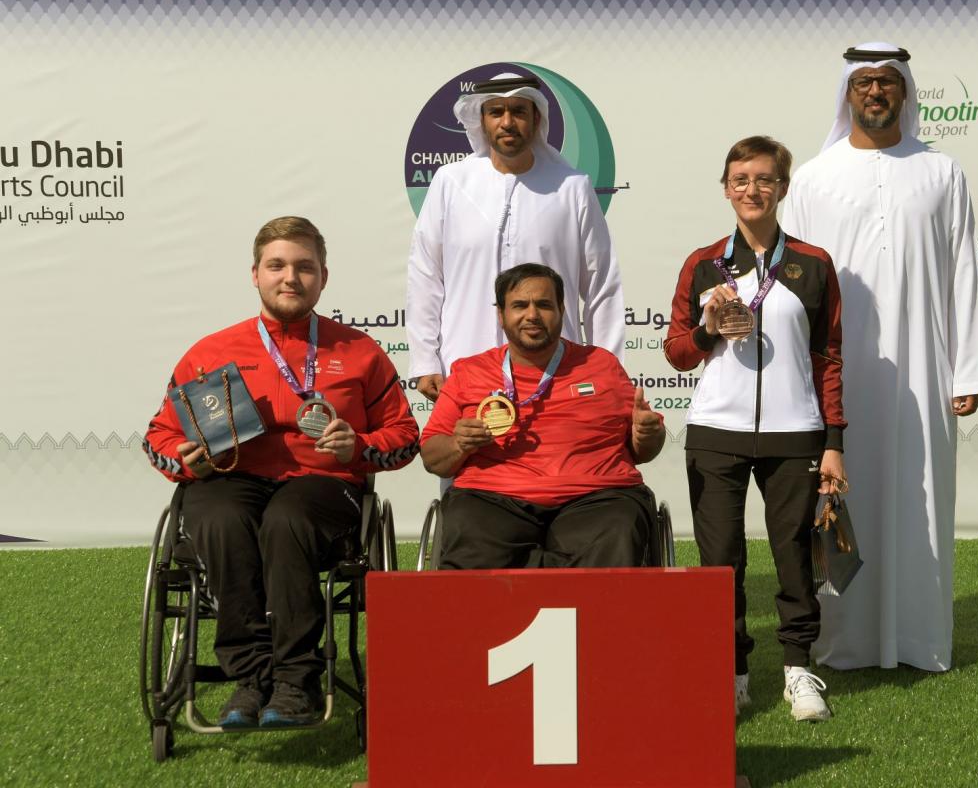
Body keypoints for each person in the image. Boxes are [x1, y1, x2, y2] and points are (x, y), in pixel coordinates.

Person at [143, 216, 420, 727]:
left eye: (304, 267)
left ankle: (295, 681)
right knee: (222, 517)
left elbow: (403, 439)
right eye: (277, 266)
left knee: (286, 520)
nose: (290, 277)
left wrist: (356, 447)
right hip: (232, 479)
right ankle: (250, 679)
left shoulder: (360, 352)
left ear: (323, 277)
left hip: (324, 485)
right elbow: (157, 437)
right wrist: (185, 457)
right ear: (255, 274)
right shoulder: (211, 352)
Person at [780, 43, 978, 672]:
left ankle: (920, 640)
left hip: (926, 371)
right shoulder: (815, 178)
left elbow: (963, 275)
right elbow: (795, 286)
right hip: (840, 372)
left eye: (887, 83)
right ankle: (840, 641)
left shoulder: (942, 172)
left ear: (905, 92)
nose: (875, 93)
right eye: (864, 82)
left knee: (922, 497)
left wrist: (970, 368)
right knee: (841, 496)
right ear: (847, 93)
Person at [665, 136, 848, 722]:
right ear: (726, 188)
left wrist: (834, 443)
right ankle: (733, 673)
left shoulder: (814, 264)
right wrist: (708, 329)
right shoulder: (702, 264)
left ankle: (798, 671)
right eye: (741, 179)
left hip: (795, 433)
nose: (752, 189)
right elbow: (676, 354)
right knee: (721, 560)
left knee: (793, 552)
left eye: (764, 179)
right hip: (715, 432)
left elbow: (830, 359)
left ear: (783, 189)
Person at [420, 263, 664, 569]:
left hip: (597, 497)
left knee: (619, 526)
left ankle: (602, 618)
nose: (532, 315)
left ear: (562, 310)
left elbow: (644, 450)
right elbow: (432, 458)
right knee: (469, 530)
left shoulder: (602, 364)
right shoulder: (468, 371)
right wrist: (459, 444)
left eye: (544, 305)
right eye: (519, 305)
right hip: (492, 500)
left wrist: (647, 434)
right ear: (501, 315)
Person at [406, 74, 625, 402]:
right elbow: (425, 276)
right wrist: (425, 360)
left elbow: (601, 286)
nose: (507, 122)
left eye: (518, 112)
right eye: (496, 112)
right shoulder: (451, 183)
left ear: (537, 119)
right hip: (464, 367)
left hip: (554, 374)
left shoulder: (571, 187)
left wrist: (607, 370)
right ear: (481, 120)